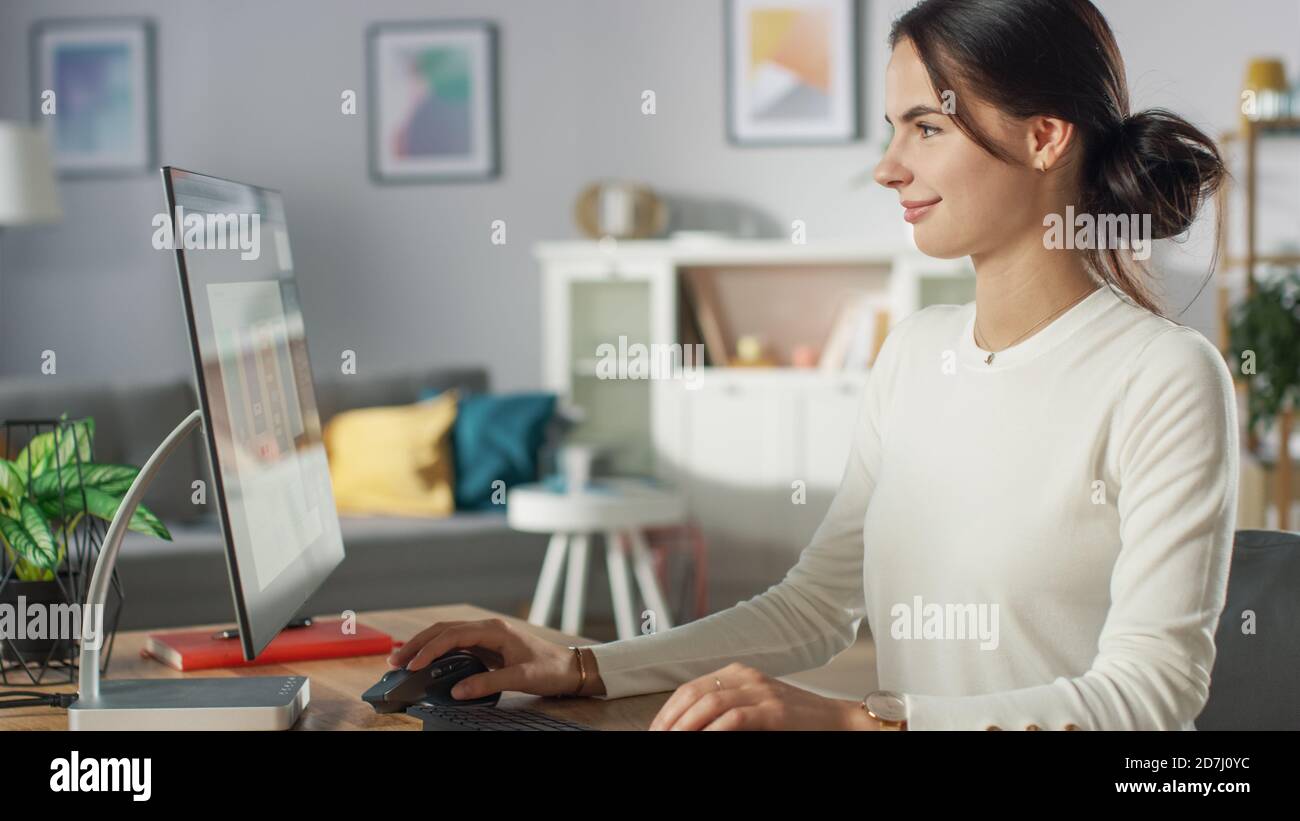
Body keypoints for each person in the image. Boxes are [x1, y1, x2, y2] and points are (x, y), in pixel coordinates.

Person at [388, 0, 1238, 730]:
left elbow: (1151, 695)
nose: (887, 166)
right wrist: (579, 665)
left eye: (928, 127)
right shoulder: (913, 352)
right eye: (891, 129)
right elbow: (816, 606)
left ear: (1046, 136)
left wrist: (855, 718)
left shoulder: (1163, 378)